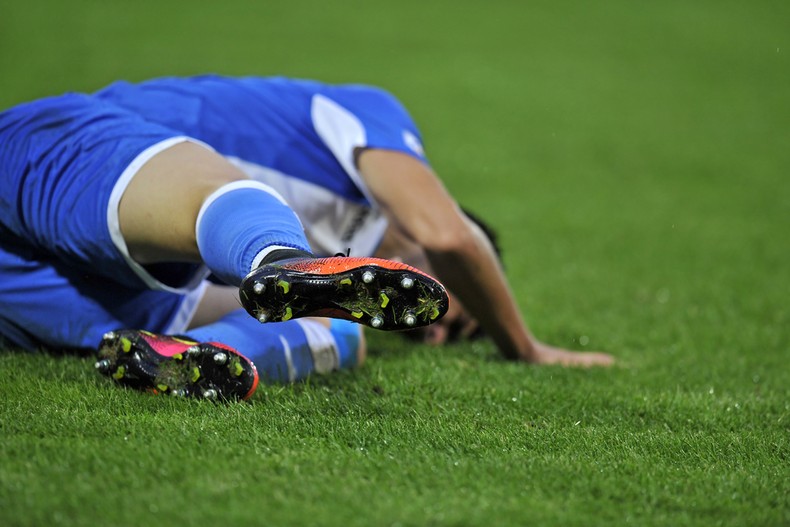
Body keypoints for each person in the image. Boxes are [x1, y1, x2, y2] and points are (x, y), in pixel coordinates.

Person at [0, 75, 612, 401]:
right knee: (257, 227)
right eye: (459, 306)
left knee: (340, 328)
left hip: (80, 286)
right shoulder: (373, 116)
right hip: (66, 160)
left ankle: (200, 356)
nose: (436, 328)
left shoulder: (359, 273)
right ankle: (280, 261)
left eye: (446, 334)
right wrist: (525, 347)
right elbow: (446, 236)